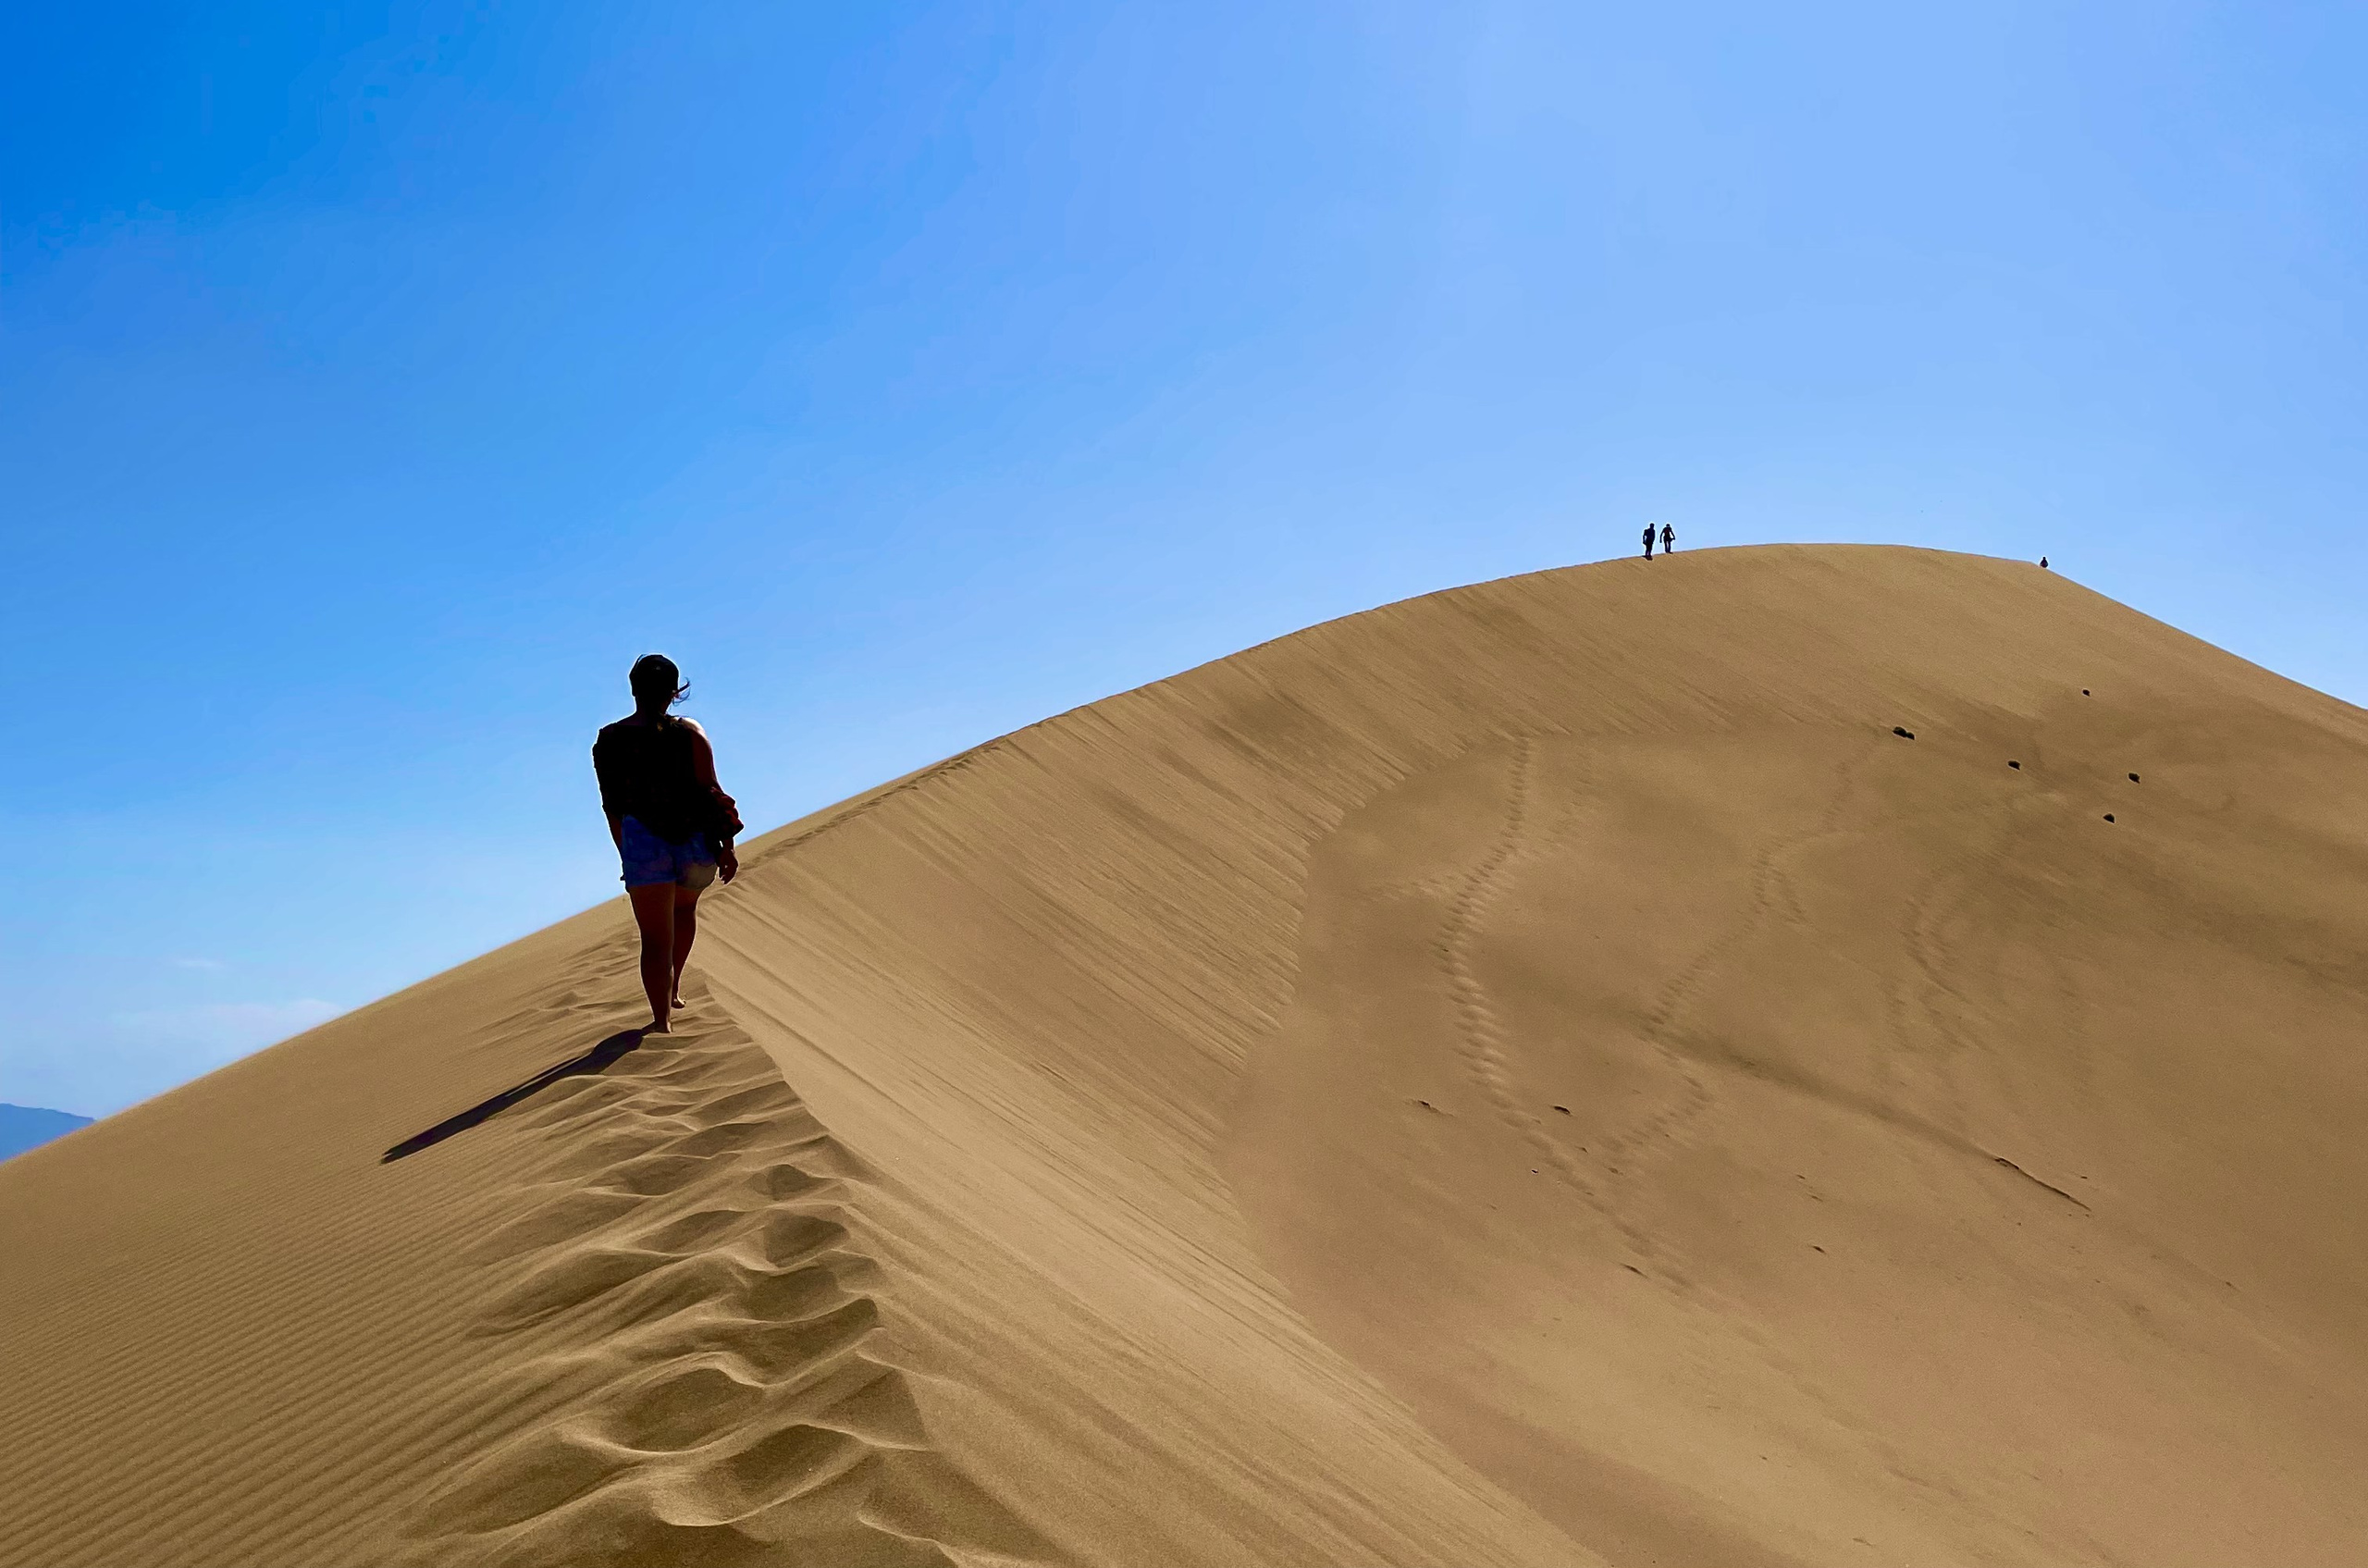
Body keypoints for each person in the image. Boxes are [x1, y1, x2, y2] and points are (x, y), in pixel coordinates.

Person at [593, 655, 741, 1032]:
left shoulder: (610, 739)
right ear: (675, 692)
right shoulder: (689, 731)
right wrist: (727, 845)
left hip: (644, 842)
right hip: (694, 839)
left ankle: (662, 1021)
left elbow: (613, 807)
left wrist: (627, 854)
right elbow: (711, 789)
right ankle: (674, 988)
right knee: (684, 910)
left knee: (655, 940)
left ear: (633, 689)